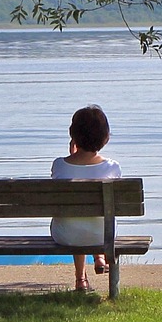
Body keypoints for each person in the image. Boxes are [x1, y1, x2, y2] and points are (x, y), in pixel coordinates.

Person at [51, 105, 121, 291]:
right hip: (103, 235)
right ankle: (99, 258)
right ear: (105, 137)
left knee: (73, 218)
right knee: (96, 216)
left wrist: (72, 156)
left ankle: (80, 279)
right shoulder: (112, 168)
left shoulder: (59, 165)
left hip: (65, 235)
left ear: (72, 135)